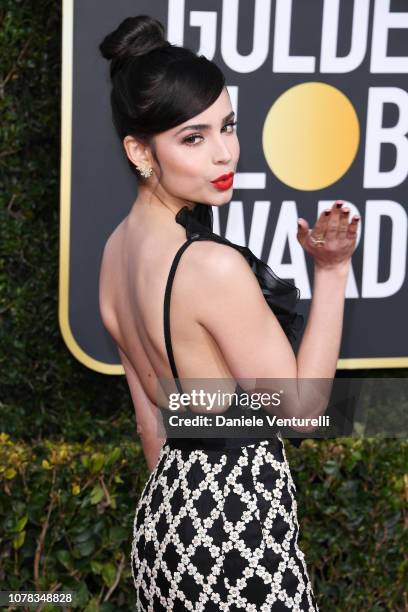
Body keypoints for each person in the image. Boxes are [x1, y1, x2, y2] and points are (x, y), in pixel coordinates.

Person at [98, 14, 359, 612]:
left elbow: (152, 427)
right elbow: (300, 410)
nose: (225, 152)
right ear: (139, 151)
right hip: (235, 528)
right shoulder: (209, 266)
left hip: (164, 523)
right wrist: (332, 272)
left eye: (228, 126)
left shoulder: (113, 255)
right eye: (193, 137)